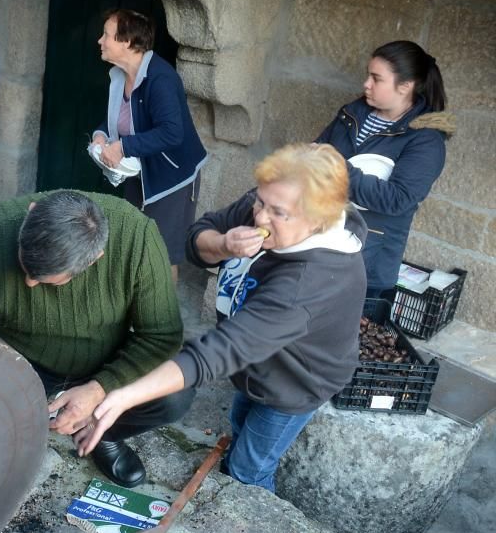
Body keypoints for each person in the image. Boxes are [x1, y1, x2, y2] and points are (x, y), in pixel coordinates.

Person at [72, 144, 368, 492]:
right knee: (240, 422)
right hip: (256, 366)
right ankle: (235, 458)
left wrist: (122, 397)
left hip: (295, 383)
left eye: (278, 213)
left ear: (319, 219)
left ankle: (247, 513)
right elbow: (197, 238)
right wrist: (225, 243)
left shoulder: (309, 283)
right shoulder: (272, 201)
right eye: (260, 202)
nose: (259, 218)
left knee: (249, 467)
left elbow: (216, 353)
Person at [0, 190, 192, 488]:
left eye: (44, 279)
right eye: (25, 267)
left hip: (102, 364)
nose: (29, 282)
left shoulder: (138, 238)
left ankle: (102, 432)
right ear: (31, 212)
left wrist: (99, 390)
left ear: (95, 260)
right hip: (19, 362)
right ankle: (18, 424)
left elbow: (162, 336)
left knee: (175, 395)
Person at [315, 40, 454, 300]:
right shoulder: (351, 114)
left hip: (367, 259)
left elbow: (398, 199)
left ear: (405, 86)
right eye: (368, 75)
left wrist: (338, 171)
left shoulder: (425, 140)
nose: (366, 84)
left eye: (376, 78)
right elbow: (316, 152)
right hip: (318, 240)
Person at [91, 9, 207, 281]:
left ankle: (162, 318)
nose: (100, 40)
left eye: (106, 35)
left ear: (128, 42)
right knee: (133, 243)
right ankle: (136, 311)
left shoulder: (160, 79)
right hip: (141, 172)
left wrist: (122, 147)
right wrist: (100, 135)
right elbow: (118, 120)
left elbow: (171, 134)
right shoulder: (119, 76)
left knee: (161, 254)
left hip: (172, 178)